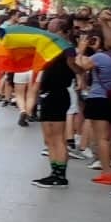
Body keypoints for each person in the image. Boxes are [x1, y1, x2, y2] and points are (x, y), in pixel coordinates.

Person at [31, 15, 84, 189]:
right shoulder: (51, 47)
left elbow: (78, 68)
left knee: (57, 137)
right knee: (49, 138)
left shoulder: (67, 49)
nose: (48, 30)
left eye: (52, 28)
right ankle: (54, 172)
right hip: (48, 94)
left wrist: (76, 59)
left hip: (57, 94)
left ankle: (60, 176)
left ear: (62, 31)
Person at [84, 33, 111, 187]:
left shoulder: (100, 57)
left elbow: (81, 66)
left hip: (98, 98)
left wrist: (82, 49)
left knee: (102, 138)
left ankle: (107, 172)